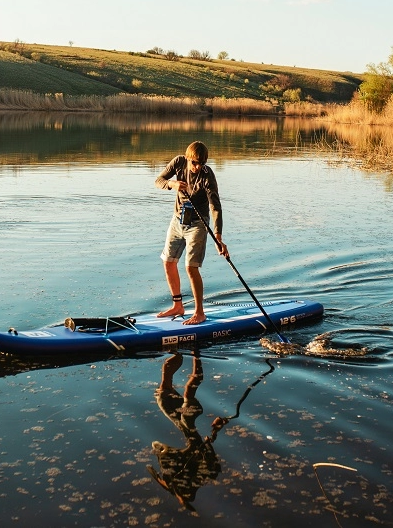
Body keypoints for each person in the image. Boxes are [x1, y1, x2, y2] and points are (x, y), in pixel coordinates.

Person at [155, 141, 228, 325]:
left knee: (190, 267)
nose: (197, 167)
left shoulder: (207, 175)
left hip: (198, 224)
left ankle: (199, 313)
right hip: (177, 220)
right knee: (168, 261)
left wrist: (218, 236)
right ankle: (178, 306)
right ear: (188, 158)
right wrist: (172, 184)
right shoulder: (179, 162)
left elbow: (215, 206)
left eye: (201, 163)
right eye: (194, 162)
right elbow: (159, 181)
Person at [147, 352, 227, 512]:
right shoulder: (207, 472)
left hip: (187, 426)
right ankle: (195, 353)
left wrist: (176, 493)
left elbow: (163, 479)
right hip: (190, 420)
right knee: (187, 392)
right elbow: (210, 441)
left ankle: (178, 354)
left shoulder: (182, 475)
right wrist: (219, 425)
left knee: (163, 393)